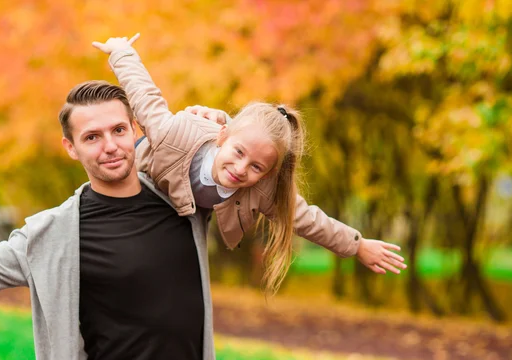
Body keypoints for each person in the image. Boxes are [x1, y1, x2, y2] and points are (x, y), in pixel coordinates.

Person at [0, 81, 218, 360]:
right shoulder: (51, 235)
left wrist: (217, 126)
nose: (109, 146)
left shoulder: (183, 200)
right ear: (71, 147)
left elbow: (254, 159)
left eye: (118, 130)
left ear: (135, 130)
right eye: (92, 137)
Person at [92, 33, 407, 294]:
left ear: (268, 173)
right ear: (223, 136)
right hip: (148, 170)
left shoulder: (263, 190)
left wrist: (357, 245)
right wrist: (121, 52)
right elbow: (144, 95)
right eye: (239, 153)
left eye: (257, 167)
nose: (242, 169)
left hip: (184, 208)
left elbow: (307, 219)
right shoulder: (172, 133)